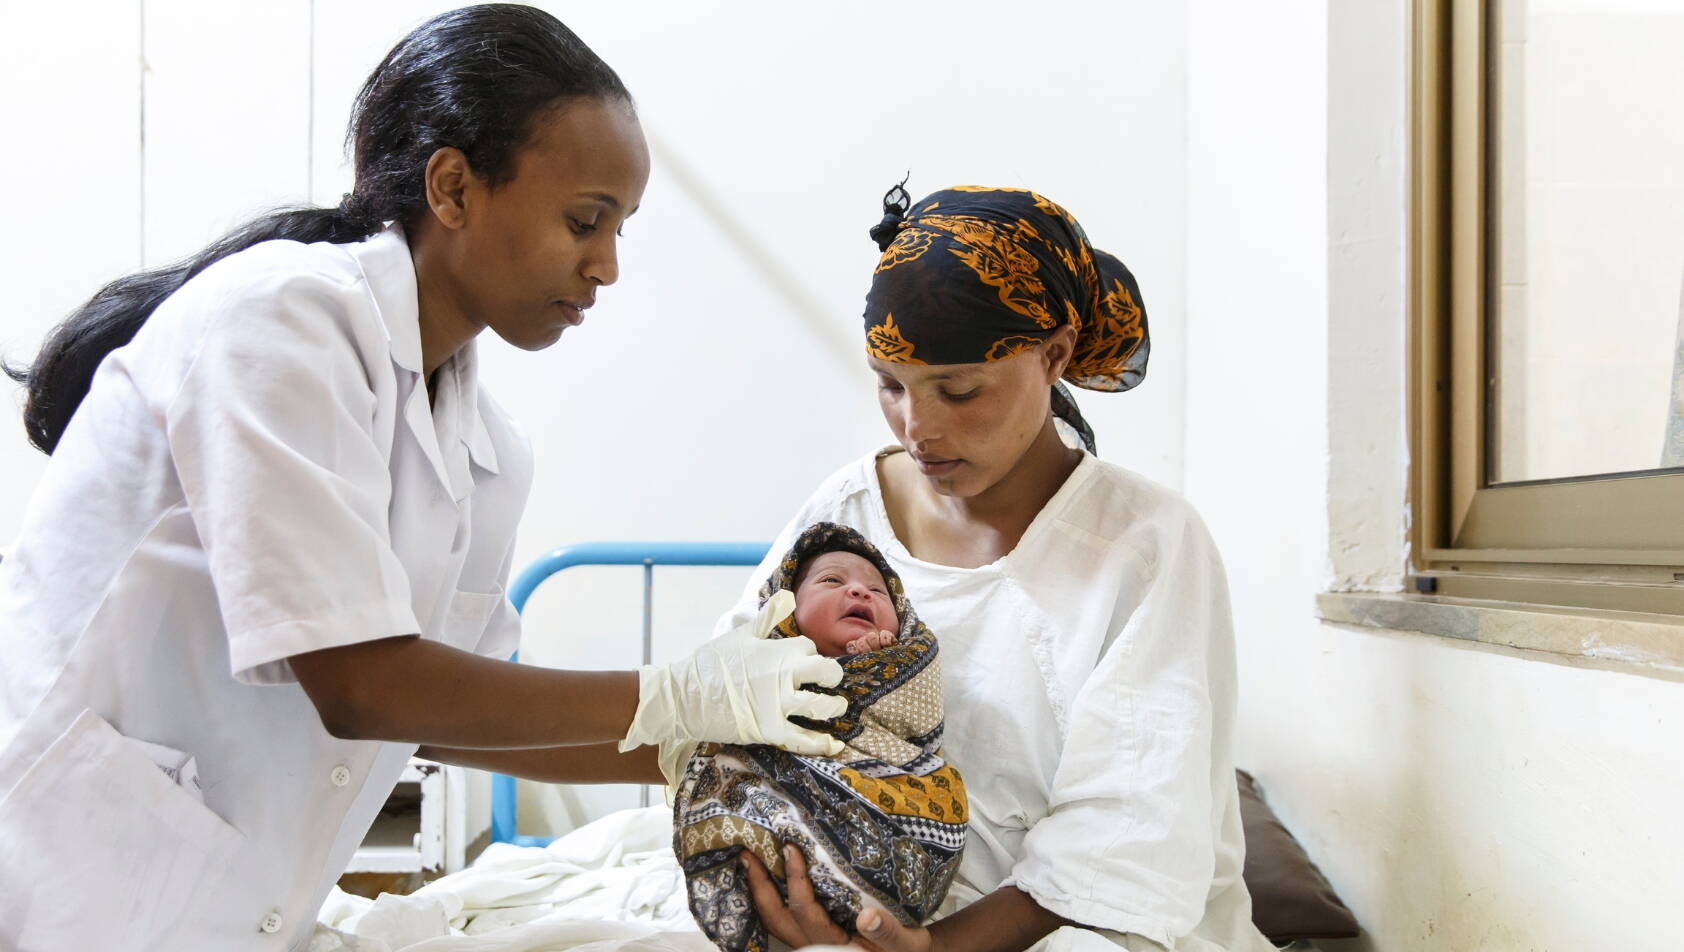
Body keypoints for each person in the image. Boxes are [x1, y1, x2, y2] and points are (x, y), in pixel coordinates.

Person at [0, 7, 845, 950]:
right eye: (584, 220)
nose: (607, 265)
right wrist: (682, 692)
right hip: (53, 874)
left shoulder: (488, 451)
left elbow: (445, 719)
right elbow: (362, 685)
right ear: (453, 187)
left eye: (620, 228)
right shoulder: (279, 322)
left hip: (224, 911)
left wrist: (719, 752)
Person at [716, 185, 1276, 952]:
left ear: (1054, 355)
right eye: (891, 385)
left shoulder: (1146, 544)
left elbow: (1130, 827)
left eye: (959, 389)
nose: (919, 427)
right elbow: (734, 700)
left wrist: (938, 948)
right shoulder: (845, 514)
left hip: (1074, 927)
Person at [672, 523, 965, 952]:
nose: (861, 593)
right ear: (786, 611)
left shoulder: (904, 658)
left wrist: (879, 666)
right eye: (832, 581)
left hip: (887, 792)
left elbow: (916, 725)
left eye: (878, 592)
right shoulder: (760, 664)